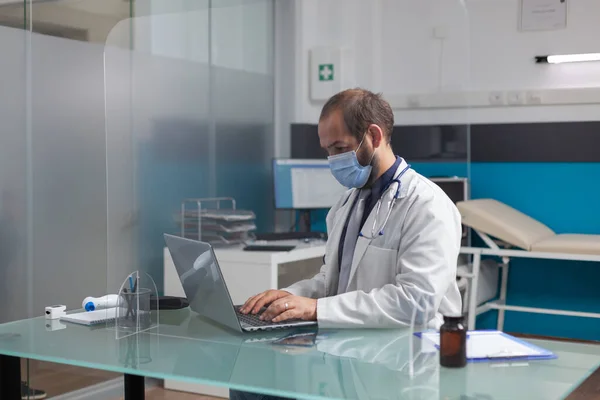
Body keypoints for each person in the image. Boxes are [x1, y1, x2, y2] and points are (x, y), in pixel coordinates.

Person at [231, 88, 462, 399]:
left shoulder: (427, 205)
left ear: (374, 136)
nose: (332, 160)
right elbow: (332, 279)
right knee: (250, 385)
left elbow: (416, 303)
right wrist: (288, 297)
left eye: (339, 148)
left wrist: (315, 309)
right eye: (327, 151)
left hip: (405, 361)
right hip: (353, 348)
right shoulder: (347, 204)